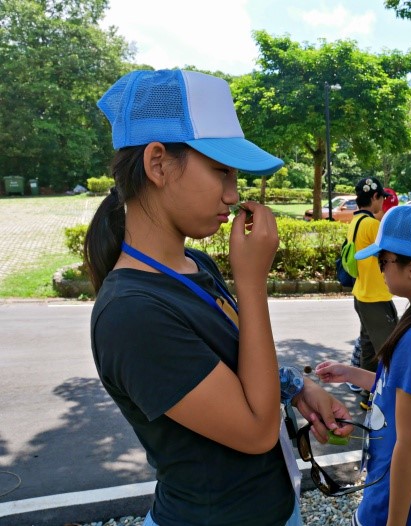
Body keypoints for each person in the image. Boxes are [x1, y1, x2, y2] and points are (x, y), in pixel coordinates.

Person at [84, 69, 351, 526]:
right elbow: (256, 431)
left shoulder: (196, 266)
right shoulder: (131, 315)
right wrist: (252, 283)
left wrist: (296, 386)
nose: (233, 194)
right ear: (158, 164)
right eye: (221, 170)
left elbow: (232, 364)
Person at [316, 204, 411, 525]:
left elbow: (409, 444)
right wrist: (352, 373)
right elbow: (406, 393)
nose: (379, 268)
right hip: (391, 492)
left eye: (383, 260)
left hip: (392, 505)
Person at [347, 176, 398, 407]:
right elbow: (392, 253)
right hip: (376, 297)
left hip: (362, 294)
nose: (383, 203)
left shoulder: (355, 222)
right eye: (382, 198)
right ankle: (386, 398)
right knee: (389, 349)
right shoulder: (372, 225)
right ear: (375, 197)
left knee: (369, 348)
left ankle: (368, 396)